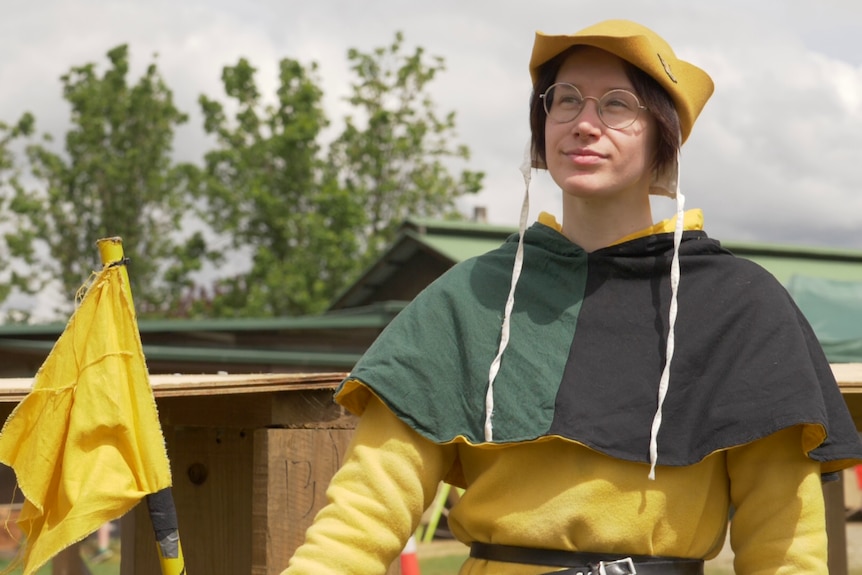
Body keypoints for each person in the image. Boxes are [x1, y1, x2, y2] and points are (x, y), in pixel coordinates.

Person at [283, 19, 862, 575]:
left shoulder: (740, 306)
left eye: (616, 104)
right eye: (566, 101)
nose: (585, 123)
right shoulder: (468, 299)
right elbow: (362, 516)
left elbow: (786, 544)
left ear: (664, 136)